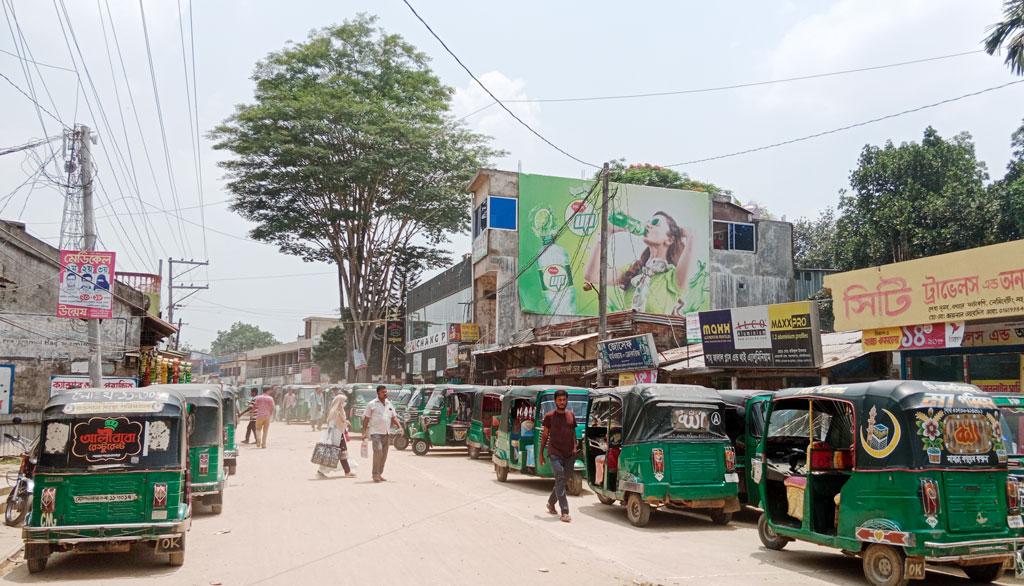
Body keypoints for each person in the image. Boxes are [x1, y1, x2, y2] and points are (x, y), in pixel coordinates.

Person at [584, 211, 695, 315]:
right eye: (648, 222)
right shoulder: (634, 270)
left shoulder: (672, 277)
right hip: (629, 333)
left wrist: (689, 236)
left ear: (669, 239)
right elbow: (592, 275)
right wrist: (606, 233)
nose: (648, 225)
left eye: (655, 223)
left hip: (658, 335)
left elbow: (691, 243)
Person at [539, 389, 577, 523]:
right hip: (554, 453)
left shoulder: (571, 415)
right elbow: (545, 436)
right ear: (555, 401)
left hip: (569, 454)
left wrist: (575, 448)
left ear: (567, 400)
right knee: (560, 476)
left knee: (562, 480)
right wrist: (541, 454)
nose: (562, 402)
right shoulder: (549, 416)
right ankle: (565, 511)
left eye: (564, 400)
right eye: (559, 400)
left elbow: (573, 433)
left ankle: (551, 502)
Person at [362, 385, 401, 483]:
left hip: (386, 433)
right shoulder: (371, 404)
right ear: (378, 393)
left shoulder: (389, 404)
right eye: (383, 392)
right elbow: (366, 418)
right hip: (375, 432)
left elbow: (394, 417)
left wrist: (400, 427)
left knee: (384, 455)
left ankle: (379, 473)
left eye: (386, 391)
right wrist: (364, 432)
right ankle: (375, 474)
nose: (385, 393)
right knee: (378, 451)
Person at [317, 394, 355, 478]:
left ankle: (347, 471)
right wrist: (344, 423)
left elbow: (342, 421)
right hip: (335, 436)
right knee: (331, 454)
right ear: (339, 402)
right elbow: (332, 424)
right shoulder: (335, 412)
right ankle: (320, 471)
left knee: (342, 453)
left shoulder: (340, 411)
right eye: (342, 402)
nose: (344, 403)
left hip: (339, 435)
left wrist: (345, 423)